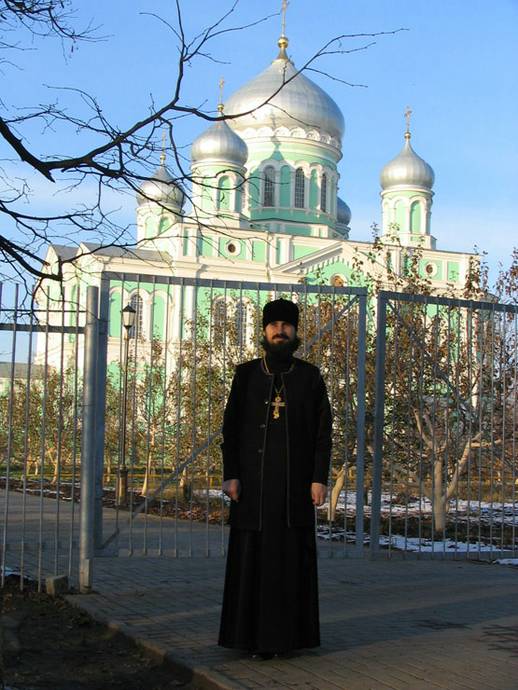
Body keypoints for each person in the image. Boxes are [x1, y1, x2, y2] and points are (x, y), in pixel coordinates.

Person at [218, 297, 332, 659]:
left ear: (296, 332)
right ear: (264, 331)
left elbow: (322, 433)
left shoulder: (310, 377)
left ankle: (288, 641)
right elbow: (231, 428)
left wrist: (319, 478)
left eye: (286, 325)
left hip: (294, 492)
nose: (279, 331)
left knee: (289, 565)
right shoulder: (247, 374)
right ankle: (248, 639)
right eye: (273, 325)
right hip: (253, 489)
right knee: (252, 565)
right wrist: (231, 474)